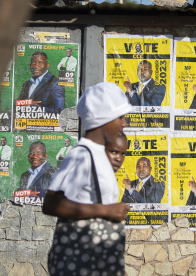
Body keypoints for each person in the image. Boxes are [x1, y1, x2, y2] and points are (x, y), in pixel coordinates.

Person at [43, 82, 132, 276]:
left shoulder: (99, 155)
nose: (124, 123)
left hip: (98, 261)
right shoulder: (82, 156)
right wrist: (106, 210)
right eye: (120, 117)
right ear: (104, 118)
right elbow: (51, 203)